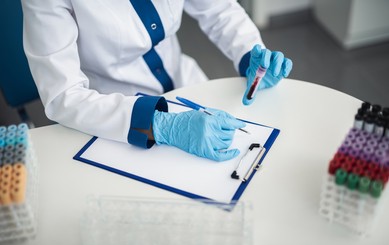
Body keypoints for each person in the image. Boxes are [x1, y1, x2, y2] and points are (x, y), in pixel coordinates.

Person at [21, 0, 292, 161]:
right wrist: (159, 125)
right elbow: (63, 95)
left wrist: (249, 55)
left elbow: (219, 10)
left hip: (187, 82)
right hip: (113, 115)